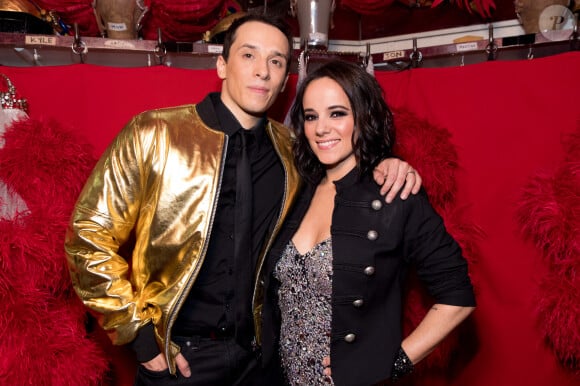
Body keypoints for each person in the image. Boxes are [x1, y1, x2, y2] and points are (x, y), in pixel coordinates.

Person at [64, 14, 422, 386]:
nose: (263, 72)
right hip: (178, 359)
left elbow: (343, 170)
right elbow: (87, 237)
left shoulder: (295, 152)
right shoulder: (154, 134)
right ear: (221, 64)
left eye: (276, 61)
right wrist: (139, 338)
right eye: (249, 55)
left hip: (261, 363)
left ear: (286, 79)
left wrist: (384, 164)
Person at [260, 60, 476, 386]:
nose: (321, 128)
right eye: (311, 116)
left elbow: (457, 297)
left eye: (337, 113)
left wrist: (394, 361)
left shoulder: (395, 194)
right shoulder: (294, 190)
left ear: (364, 116)